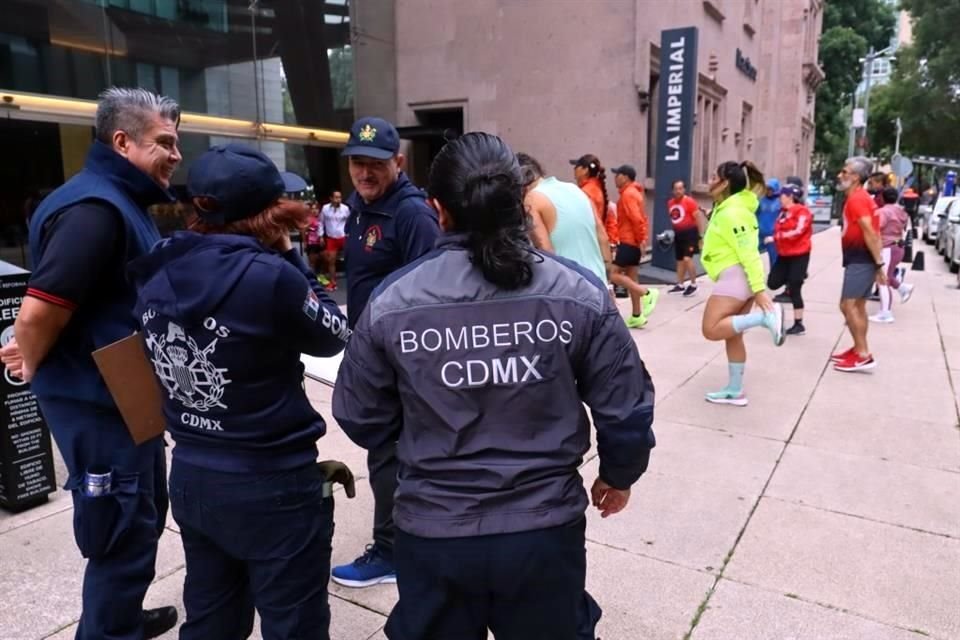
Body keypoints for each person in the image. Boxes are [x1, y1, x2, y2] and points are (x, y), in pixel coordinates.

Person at [332, 131, 656, 640]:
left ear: (439, 211)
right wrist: (620, 473)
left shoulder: (393, 300)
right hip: (542, 535)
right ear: (520, 203)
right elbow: (626, 406)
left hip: (435, 532)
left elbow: (358, 413)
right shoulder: (577, 292)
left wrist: (422, 419)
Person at [128, 144, 352, 640]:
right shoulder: (270, 277)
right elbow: (333, 334)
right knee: (294, 622)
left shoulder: (156, 264)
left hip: (192, 471)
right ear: (272, 214)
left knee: (211, 617)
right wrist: (290, 254)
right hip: (271, 481)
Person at [0, 88, 180, 639]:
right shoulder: (95, 210)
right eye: (164, 142)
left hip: (124, 397)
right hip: (100, 404)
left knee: (142, 513)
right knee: (120, 530)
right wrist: (27, 360)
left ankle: (120, 616)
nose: (175, 154)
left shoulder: (114, 198)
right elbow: (37, 314)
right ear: (122, 142)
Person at [334, 116, 441, 588]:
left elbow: (432, 290)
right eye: (357, 163)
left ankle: (393, 551)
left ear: (397, 162)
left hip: (400, 358)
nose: (365, 173)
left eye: (375, 164)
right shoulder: (360, 207)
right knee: (388, 452)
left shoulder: (412, 214)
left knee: (387, 452)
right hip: (369, 348)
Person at [700, 161, 786, 406]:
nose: (709, 181)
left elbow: (749, 251)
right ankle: (735, 390)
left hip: (736, 277)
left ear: (724, 183)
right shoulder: (729, 208)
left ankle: (765, 318)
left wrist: (760, 292)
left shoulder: (733, 212)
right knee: (733, 335)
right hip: (739, 278)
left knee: (711, 328)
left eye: (713, 176)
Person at [517, 152, 608, 283]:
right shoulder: (575, 189)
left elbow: (546, 253)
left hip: (572, 290)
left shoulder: (531, 200)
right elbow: (602, 236)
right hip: (599, 284)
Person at [831, 156, 886, 372]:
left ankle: (863, 353)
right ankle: (858, 350)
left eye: (844, 172)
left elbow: (870, 232)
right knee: (857, 305)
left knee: (848, 305)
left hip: (861, 259)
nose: (840, 175)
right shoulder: (858, 197)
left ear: (855, 177)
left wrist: (879, 264)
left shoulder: (857, 200)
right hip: (860, 258)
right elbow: (874, 230)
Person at [610, 164, 659, 328]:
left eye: (617, 174)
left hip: (628, 241)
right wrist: (642, 240)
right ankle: (637, 315)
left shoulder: (628, 194)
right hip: (633, 242)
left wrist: (640, 240)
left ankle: (647, 293)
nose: (615, 178)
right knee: (632, 278)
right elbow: (642, 219)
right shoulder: (635, 193)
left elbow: (637, 219)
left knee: (613, 274)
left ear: (625, 177)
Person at [766, 184, 813, 336]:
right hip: (785, 254)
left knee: (795, 288)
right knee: (772, 283)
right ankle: (796, 276)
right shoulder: (782, 213)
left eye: (782, 195)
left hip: (799, 254)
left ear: (790, 197)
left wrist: (775, 238)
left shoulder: (802, 211)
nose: (780, 198)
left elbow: (798, 231)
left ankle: (799, 324)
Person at [871, 186, 915, 323]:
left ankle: (886, 313)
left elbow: (877, 229)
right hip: (898, 247)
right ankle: (903, 288)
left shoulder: (883, 212)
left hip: (887, 248)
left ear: (882, 198)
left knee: (882, 280)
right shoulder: (902, 212)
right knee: (887, 276)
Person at [571, 153, 619, 249]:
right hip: (594, 241)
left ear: (585, 170)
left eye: (576, 166)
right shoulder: (596, 189)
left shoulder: (586, 192)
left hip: (587, 243)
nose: (574, 170)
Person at [666, 179, 705, 295]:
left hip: (690, 233)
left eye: (680, 188)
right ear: (673, 190)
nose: (678, 191)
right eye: (676, 189)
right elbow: (674, 217)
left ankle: (693, 284)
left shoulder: (690, 202)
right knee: (680, 260)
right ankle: (680, 284)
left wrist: (700, 235)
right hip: (678, 233)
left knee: (687, 259)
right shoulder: (670, 203)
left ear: (684, 189)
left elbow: (698, 218)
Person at [319, 190, 349, 291]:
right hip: (331, 238)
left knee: (351, 258)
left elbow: (350, 222)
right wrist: (320, 236)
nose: (338, 200)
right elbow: (321, 222)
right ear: (331, 198)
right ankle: (333, 282)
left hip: (343, 237)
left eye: (339, 197)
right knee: (331, 260)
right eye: (336, 197)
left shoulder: (345, 208)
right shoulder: (325, 209)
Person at [757, 178, 781, 266]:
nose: (768, 191)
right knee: (751, 256)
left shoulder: (780, 202)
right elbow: (755, 214)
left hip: (773, 235)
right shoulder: (760, 201)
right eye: (767, 189)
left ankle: (774, 277)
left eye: (771, 189)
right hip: (759, 233)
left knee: (774, 258)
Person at [305, 202, 325, 278]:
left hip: (320, 242)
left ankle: (320, 277)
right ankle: (312, 278)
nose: (314, 210)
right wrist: (305, 243)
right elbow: (304, 231)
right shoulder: (308, 219)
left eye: (316, 209)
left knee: (321, 260)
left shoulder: (321, 218)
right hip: (311, 242)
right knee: (312, 262)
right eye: (312, 209)